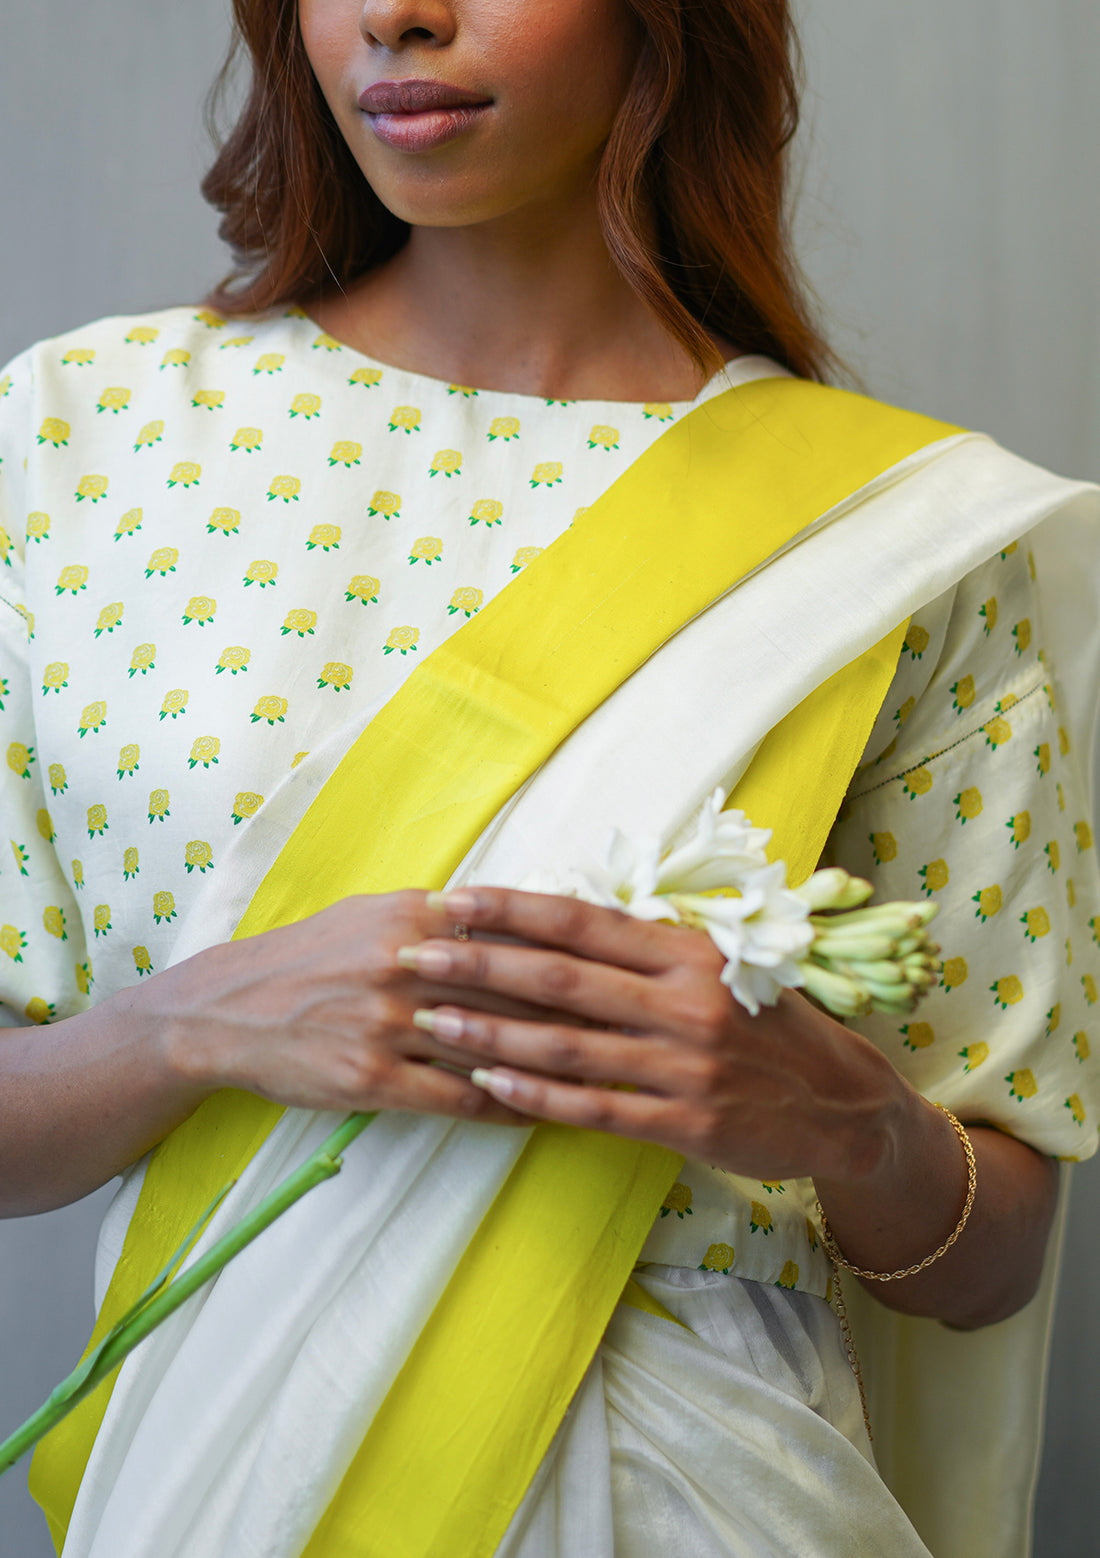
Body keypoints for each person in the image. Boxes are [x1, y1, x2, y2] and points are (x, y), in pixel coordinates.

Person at [1, 1, 1097, 1554]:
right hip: (230, 1477)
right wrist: (193, 1023)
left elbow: (996, 1254)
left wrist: (841, 1119)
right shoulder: (82, 440)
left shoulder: (889, 539)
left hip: (715, 1499)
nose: (399, 14)